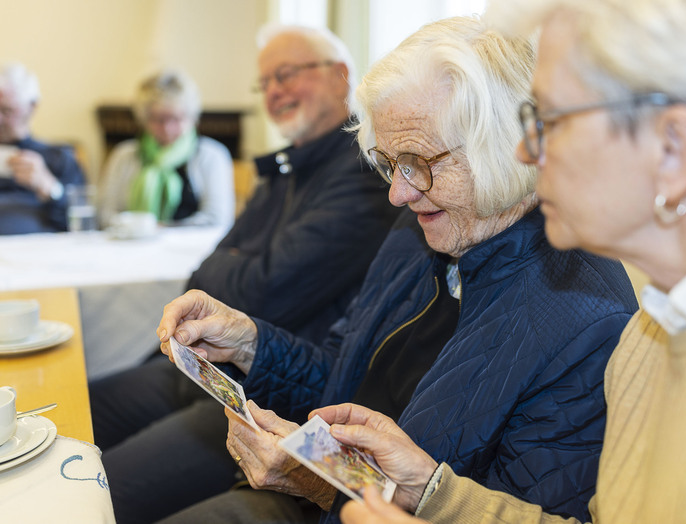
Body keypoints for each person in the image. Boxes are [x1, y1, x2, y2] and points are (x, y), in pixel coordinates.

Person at [155, 16, 638, 524]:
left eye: (417, 162)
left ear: (501, 147)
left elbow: (515, 510)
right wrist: (252, 344)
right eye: (389, 163)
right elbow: (340, 380)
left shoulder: (584, 318)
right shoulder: (422, 232)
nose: (398, 193)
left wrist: (320, 485)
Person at [322, 0, 686, 523]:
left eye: (551, 121)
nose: (523, 152)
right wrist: (434, 495)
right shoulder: (652, 332)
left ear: (674, 150)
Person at [88, 24, 400, 524]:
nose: (274, 91)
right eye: (266, 82)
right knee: (80, 410)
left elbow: (263, 290)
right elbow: (205, 270)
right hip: (233, 366)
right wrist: (233, 266)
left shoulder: (364, 176)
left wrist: (231, 264)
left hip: (271, 388)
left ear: (341, 76)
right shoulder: (288, 168)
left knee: (99, 491)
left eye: (287, 74)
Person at [98, 68, 235, 228]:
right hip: (131, 247)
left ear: (191, 117)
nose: (167, 128)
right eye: (158, 119)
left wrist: (160, 230)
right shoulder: (124, 155)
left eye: (176, 118)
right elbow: (104, 215)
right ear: (144, 118)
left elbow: (217, 219)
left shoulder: (212, 155)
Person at [0, 62, 85, 234]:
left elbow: (83, 224)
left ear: (32, 107)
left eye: (6, 111)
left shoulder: (59, 157)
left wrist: (50, 187)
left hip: (36, 252)